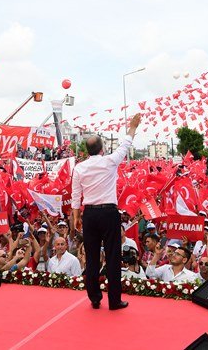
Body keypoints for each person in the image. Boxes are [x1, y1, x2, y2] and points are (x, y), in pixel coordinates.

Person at [71, 113, 141, 311]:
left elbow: (76, 196)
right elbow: (126, 143)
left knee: (92, 257)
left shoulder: (79, 168)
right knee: (112, 256)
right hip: (109, 213)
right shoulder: (110, 161)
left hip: (90, 214)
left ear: (87, 151)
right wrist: (133, 126)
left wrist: (77, 217)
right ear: (102, 149)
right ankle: (114, 301)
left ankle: (94, 298)